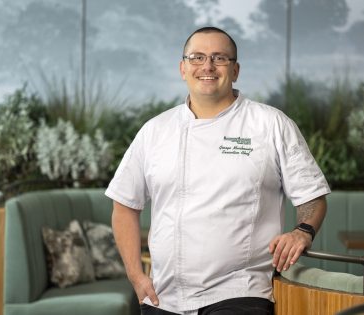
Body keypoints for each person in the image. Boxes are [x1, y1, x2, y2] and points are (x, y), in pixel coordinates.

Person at [106, 26, 330, 315]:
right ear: (182, 68)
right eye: (197, 57)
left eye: (219, 58)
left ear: (235, 70)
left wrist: (302, 232)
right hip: (164, 298)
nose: (207, 66)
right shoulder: (155, 131)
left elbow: (312, 195)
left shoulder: (270, 124)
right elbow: (124, 204)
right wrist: (136, 277)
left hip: (239, 292)